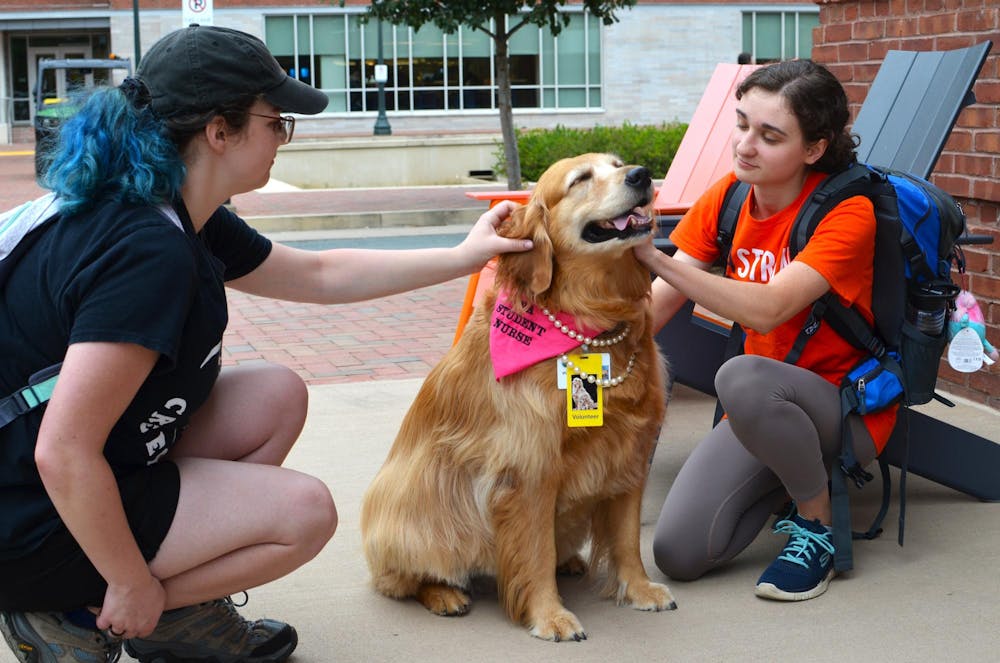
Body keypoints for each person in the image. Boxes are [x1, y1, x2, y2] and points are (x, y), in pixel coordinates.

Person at [0, 24, 531, 663]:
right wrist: (129, 580)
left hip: (72, 474)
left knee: (275, 394)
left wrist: (463, 257)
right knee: (303, 514)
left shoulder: (174, 208)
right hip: (31, 519)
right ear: (218, 132)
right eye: (274, 120)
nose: (282, 136)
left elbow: (318, 274)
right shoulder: (146, 252)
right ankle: (82, 613)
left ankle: (158, 602)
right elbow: (63, 451)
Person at [633, 59, 897, 601]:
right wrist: (567, 348)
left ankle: (818, 525)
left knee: (743, 376)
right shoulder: (729, 198)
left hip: (842, 409)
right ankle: (787, 470)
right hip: (758, 415)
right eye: (742, 124)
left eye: (770, 136)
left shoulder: (848, 213)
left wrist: (654, 258)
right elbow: (653, 313)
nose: (745, 145)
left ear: (815, 148)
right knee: (678, 554)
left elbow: (768, 309)